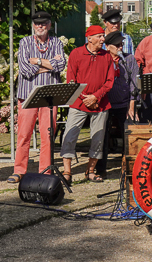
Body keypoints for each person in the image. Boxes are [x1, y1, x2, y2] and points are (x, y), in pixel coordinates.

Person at [10, 11, 68, 184]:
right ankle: (19, 170)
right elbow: (25, 71)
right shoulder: (25, 42)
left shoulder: (56, 42)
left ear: (49, 25)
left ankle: (45, 170)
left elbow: (61, 65)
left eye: (43, 23)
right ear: (33, 25)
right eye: (37, 23)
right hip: (27, 95)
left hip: (50, 97)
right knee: (23, 134)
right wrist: (49, 63)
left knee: (48, 135)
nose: (40, 26)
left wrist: (37, 61)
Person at [61, 25, 116, 183]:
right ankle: (67, 172)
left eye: (103, 36)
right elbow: (71, 80)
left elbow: (109, 81)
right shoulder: (76, 53)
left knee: (98, 139)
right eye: (99, 36)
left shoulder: (106, 56)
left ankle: (90, 171)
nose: (102, 39)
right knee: (69, 136)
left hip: (100, 104)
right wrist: (86, 98)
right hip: (78, 103)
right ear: (89, 38)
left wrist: (96, 97)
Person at [97, 31, 139, 179]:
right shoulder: (101, 59)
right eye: (117, 45)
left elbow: (134, 83)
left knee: (128, 135)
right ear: (107, 46)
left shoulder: (129, 59)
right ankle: (100, 168)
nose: (120, 48)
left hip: (124, 103)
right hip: (106, 103)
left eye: (121, 45)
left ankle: (128, 166)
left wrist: (132, 104)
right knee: (102, 136)